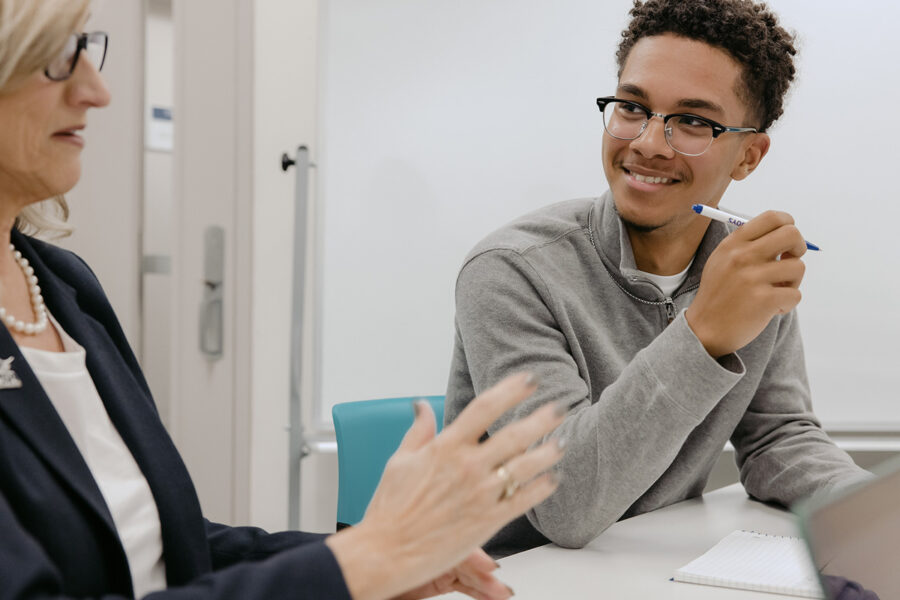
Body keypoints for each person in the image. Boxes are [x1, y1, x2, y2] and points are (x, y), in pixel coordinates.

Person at [0, 2, 568, 599]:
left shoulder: (63, 285)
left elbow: (170, 546)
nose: (97, 90)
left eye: (88, 49)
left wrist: (377, 555)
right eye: (58, 56)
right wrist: (359, 564)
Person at [445, 0, 871, 558]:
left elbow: (777, 438)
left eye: (693, 121)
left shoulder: (744, 270)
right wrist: (703, 335)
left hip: (649, 567)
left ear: (749, 155)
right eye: (631, 107)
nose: (648, 142)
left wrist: (871, 512)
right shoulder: (511, 269)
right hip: (507, 578)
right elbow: (564, 507)